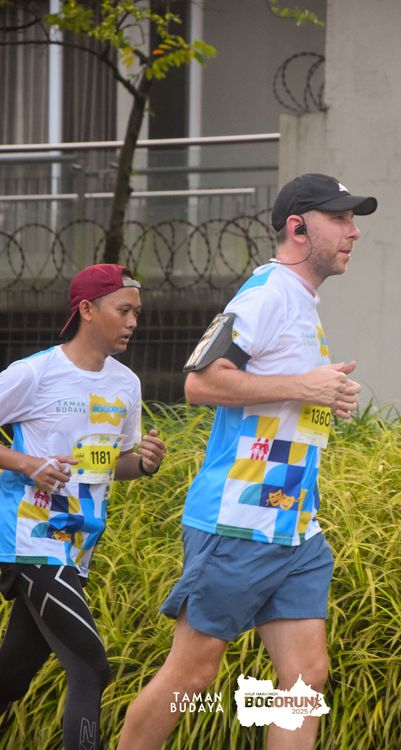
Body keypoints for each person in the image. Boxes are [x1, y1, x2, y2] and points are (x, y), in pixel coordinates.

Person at [118, 173, 377, 750]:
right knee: (193, 676)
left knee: (306, 677)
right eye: (340, 219)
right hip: (239, 522)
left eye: (353, 220)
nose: (354, 232)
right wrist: (305, 387)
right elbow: (200, 383)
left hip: (295, 525)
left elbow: (280, 396)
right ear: (298, 228)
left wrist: (324, 399)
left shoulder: (300, 301)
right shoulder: (266, 294)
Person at [0, 263, 166, 750]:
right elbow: (27, 461)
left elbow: (115, 465)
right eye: (124, 310)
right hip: (31, 540)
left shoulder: (125, 384)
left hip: (78, 548)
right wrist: (27, 463)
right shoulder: (34, 373)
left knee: (11, 676)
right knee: (90, 667)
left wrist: (144, 464)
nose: (133, 322)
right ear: (87, 310)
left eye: (137, 312)